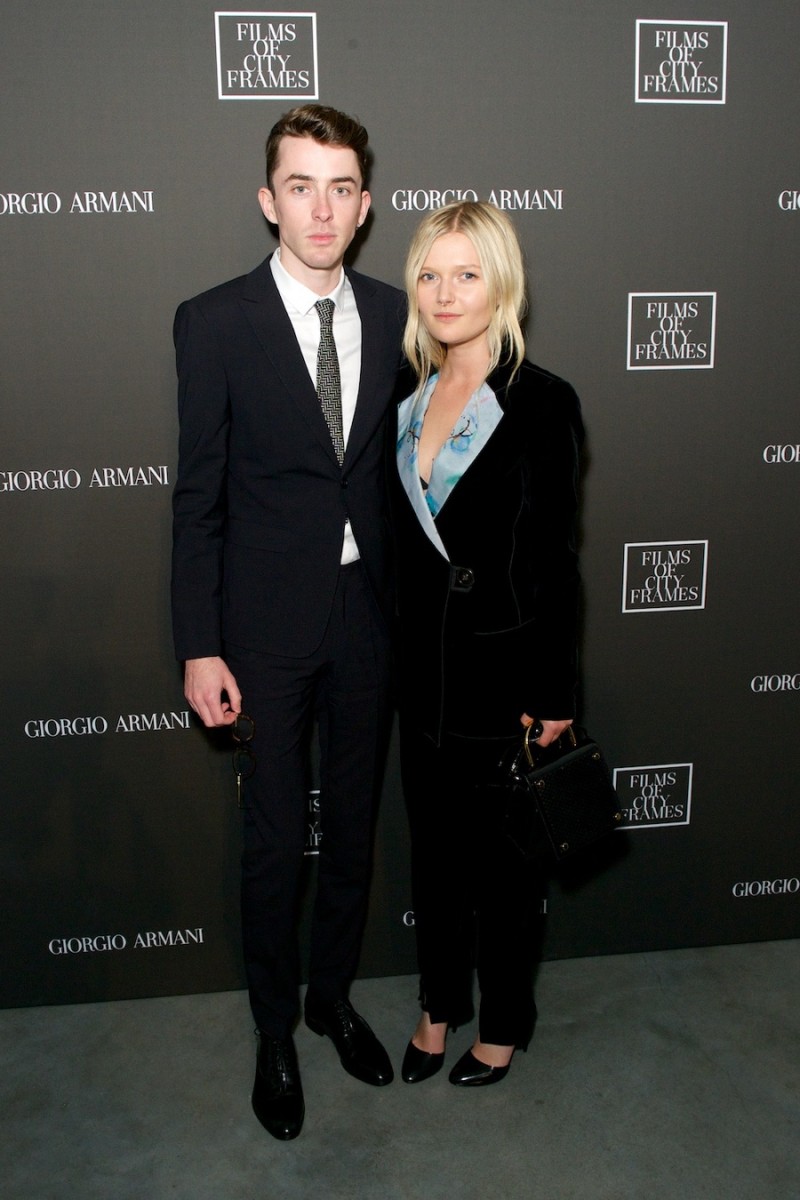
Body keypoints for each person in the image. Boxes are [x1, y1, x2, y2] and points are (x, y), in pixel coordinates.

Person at [171, 105, 405, 1140]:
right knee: (275, 846)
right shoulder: (213, 321)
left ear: (363, 207)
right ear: (268, 201)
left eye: (340, 186)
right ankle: (273, 1031)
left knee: (351, 829)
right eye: (300, 185)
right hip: (261, 631)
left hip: (368, 617)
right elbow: (198, 500)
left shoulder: (403, 313)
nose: (321, 206)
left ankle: (329, 1002)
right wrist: (198, 643)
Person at [390, 200, 584, 1087]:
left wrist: (554, 699)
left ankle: (502, 1025)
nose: (445, 292)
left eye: (466, 273)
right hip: (423, 680)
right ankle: (438, 1009)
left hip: (501, 680)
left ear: (501, 283)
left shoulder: (541, 403)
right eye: (430, 274)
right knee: (433, 862)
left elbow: (553, 564)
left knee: (505, 875)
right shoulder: (407, 393)